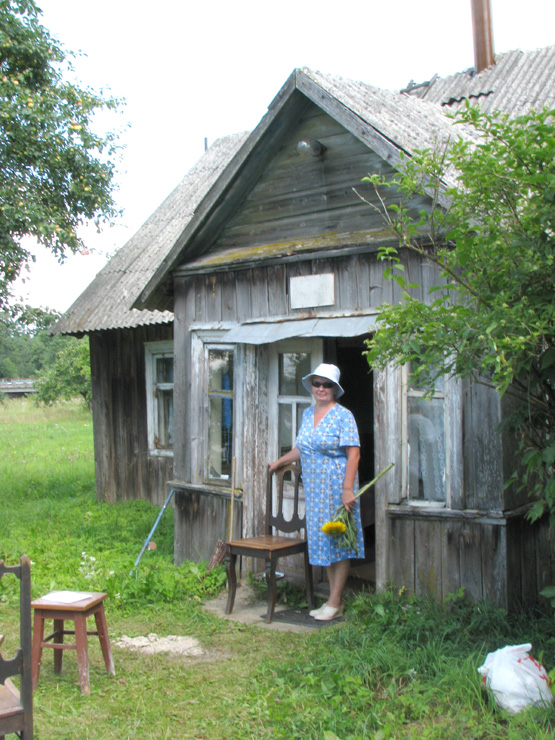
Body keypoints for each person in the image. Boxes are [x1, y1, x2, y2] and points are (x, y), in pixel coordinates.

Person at [268, 363, 363, 621]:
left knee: (339, 543)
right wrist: (280, 461)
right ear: (312, 386)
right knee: (327, 542)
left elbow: (354, 454)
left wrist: (346, 490)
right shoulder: (307, 414)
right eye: (317, 383)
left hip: (336, 488)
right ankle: (334, 600)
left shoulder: (344, 416)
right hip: (315, 489)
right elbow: (303, 448)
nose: (321, 388)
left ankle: (334, 601)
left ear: (335, 389)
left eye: (327, 384)